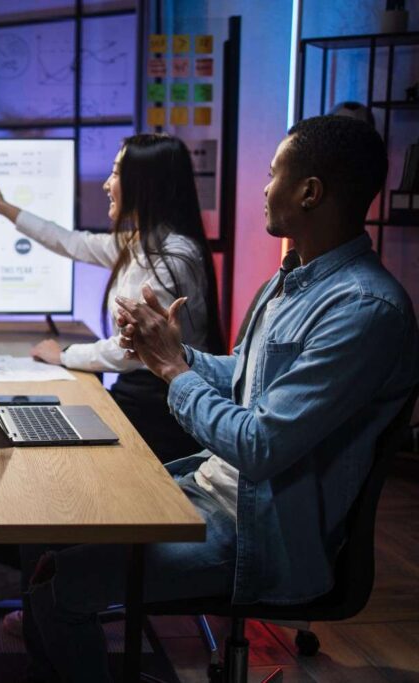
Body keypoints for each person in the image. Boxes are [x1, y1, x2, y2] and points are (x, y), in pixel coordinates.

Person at [24, 115, 419, 681]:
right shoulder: (289, 282)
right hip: (213, 492)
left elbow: (259, 445)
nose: (263, 187)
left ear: (309, 192)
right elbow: (244, 376)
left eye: (273, 172)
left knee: (57, 586)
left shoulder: (364, 308)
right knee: (52, 543)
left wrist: (171, 367)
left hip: (259, 533)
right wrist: (164, 350)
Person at [0, 133, 224, 615]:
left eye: (117, 173)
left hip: (161, 411)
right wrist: (6, 208)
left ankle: (31, 580)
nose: (108, 184)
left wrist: (66, 353)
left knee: (46, 455)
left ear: (144, 183)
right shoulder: (143, 243)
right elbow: (69, 241)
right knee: (34, 433)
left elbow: (130, 352)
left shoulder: (172, 259)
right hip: (142, 397)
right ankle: (16, 571)